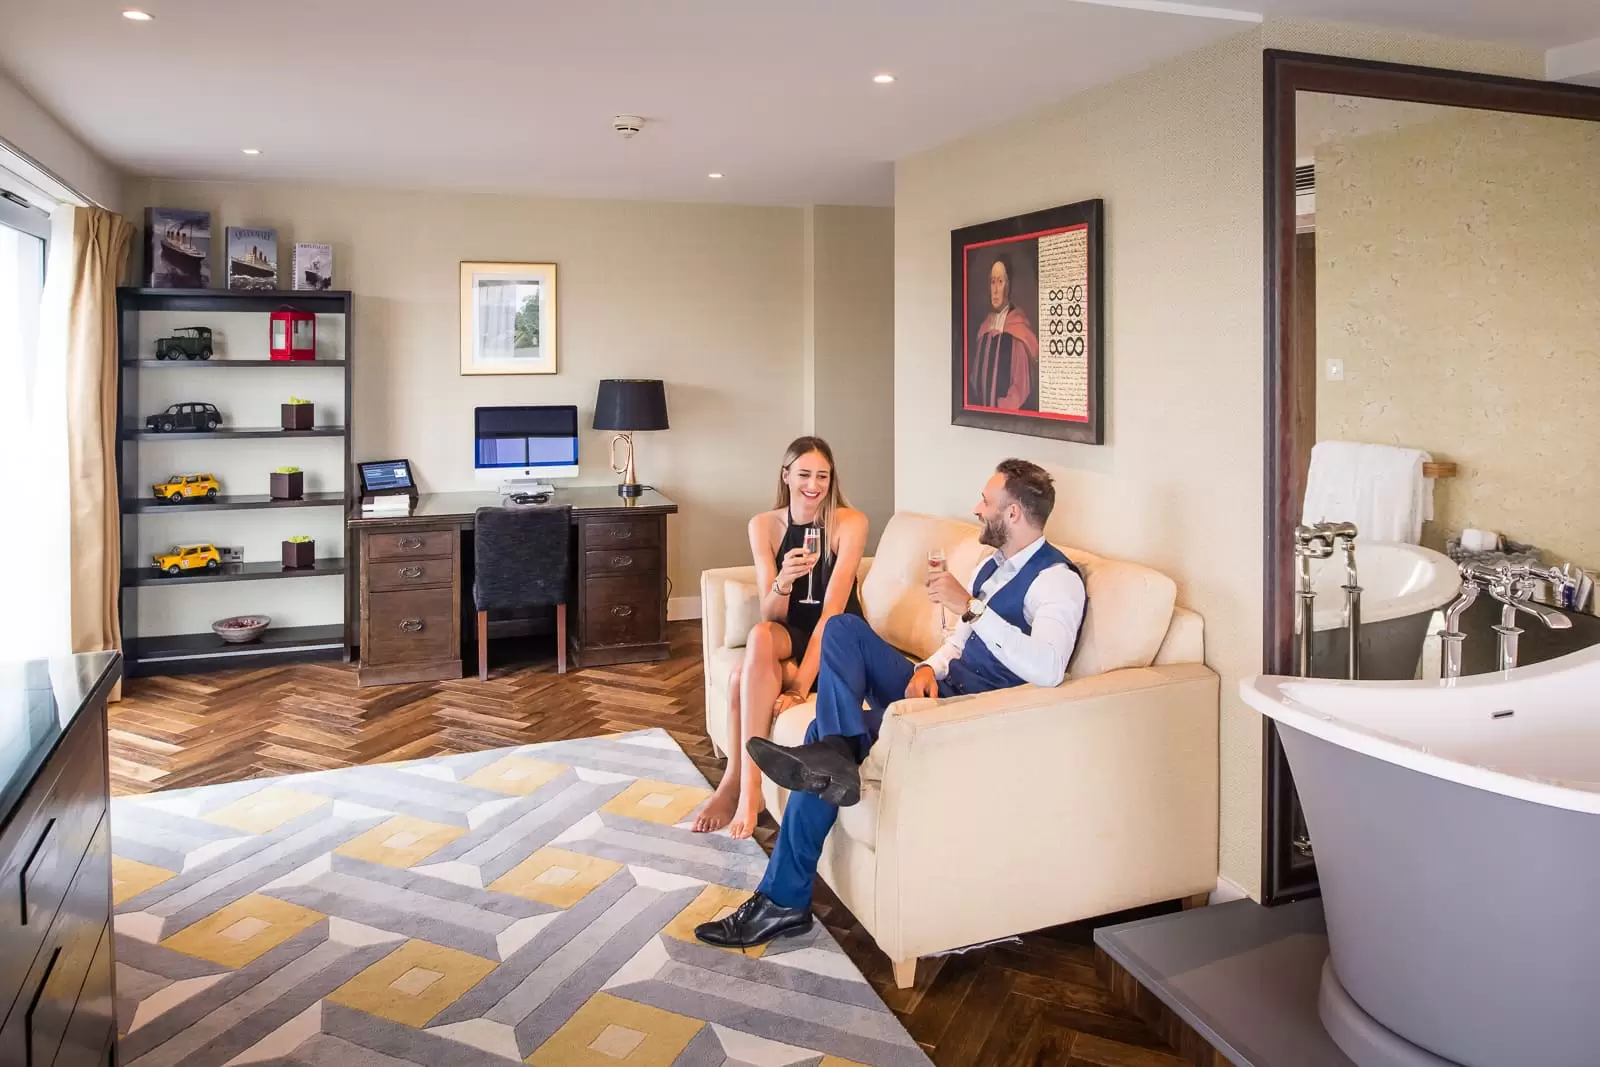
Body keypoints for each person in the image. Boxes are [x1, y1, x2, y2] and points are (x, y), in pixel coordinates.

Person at [695, 458, 1086, 949]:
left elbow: (1048, 669)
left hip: (968, 713)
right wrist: (928, 666)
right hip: (939, 687)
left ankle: (782, 902)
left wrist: (969, 605)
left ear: (1012, 515)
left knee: (820, 742)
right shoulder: (995, 567)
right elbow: (961, 642)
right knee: (843, 629)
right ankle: (837, 750)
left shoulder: (1057, 582)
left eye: (986, 502)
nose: (976, 508)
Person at [690, 436, 868, 838]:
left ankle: (740, 786)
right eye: (804, 474)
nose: (814, 485)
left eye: (823, 476)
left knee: (741, 679)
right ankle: (743, 786)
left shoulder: (850, 523)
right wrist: (784, 579)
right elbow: (772, 614)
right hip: (792, 634)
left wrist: (801, 685)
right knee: (761, 635)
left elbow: (833, 614)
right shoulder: (764, 526)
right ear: (786, 475)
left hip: (837, 642)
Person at [969, 253, 1040, 411]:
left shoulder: (1018, 331)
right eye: (992, 282)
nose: (995, 289)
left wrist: (997, 411)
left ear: (1008, 286)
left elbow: (1021, 389)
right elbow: (974, 380)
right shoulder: (984, 330)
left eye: (1000, 282)